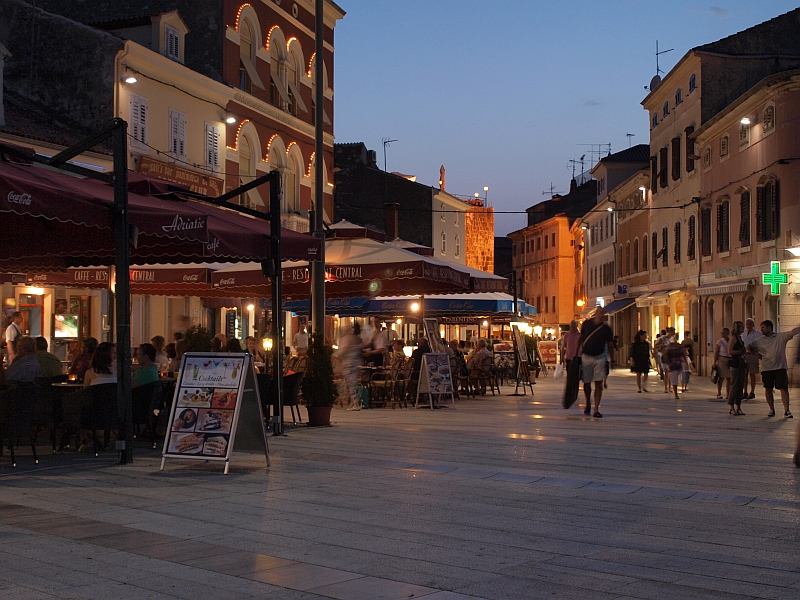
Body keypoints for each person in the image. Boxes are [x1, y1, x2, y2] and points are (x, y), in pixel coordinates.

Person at [749, 320, 800, 419]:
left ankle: (786, 410)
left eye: (763, 327)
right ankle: (771, 409)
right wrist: (758, 355)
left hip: (780, 367)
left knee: (783, 388)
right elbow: (749, 347)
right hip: (767, 368)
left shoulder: (780, 337)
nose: (761, 330)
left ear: (769, 327)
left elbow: (792, 332)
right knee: (768, 388)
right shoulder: (759, 340)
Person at [579, 308, 614, 417]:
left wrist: (612, 359)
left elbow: (610, 344)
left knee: (599, 383)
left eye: (603, 314)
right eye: (601, 314)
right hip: (586, 356)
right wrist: (576, 354)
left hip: (600, 356)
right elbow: (580, 338)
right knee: (587, 382)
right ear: (595, 314)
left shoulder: (606, 329)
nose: (602, 316)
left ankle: (596, 409)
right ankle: (588, 402)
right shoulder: (587, 324)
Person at [335, 323, 363, 410]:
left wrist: (336, 355)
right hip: (355, 363)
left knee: (350, 383)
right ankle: (353, 402)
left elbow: (344, 349)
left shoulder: (348, 338)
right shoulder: (357, 339)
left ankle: (354, 403)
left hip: (349, 363)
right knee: (351, 383)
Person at [727, 321, 746, 415]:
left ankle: (738, 406)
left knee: (740, 385)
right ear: (737, 328)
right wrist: (740, 352)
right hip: (735, 364)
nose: (743, 328)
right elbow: (730, 351)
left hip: (741, 364)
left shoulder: (740, 338)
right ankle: (731, 406)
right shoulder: (733, 338)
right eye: (742, 327)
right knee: (734, 385)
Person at [741, 318, 762, 400]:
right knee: (744, 374)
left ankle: (752, 391)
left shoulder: (758, 334)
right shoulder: (743, 333)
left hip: (753, 354)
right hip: (744, 355)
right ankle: (745, 391)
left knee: (752, 374)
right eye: (747, 324)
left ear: (753, 325)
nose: (748, 325)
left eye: (750, 324)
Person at [663, 335, 687, 400]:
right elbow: (665, 355)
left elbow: (683, 354)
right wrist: (668, 363)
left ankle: (682, 388)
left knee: (681, 378)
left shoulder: (680, 346)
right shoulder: (670, 347)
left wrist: (686, 362)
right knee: (674, 379)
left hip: (679, 364)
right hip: (672, 365)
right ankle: (676, 394)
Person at [714, 327, 732, 400]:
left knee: (729, 378)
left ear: (727, 333)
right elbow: (716, 352)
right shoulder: (719, 342)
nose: (722, 334)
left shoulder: (731, 340)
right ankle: (719, 393)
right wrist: (714, 362)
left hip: (730, 360)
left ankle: (728, 394)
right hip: (722, 359)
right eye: (721, 333)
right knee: (721, 377)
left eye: (723, 333)